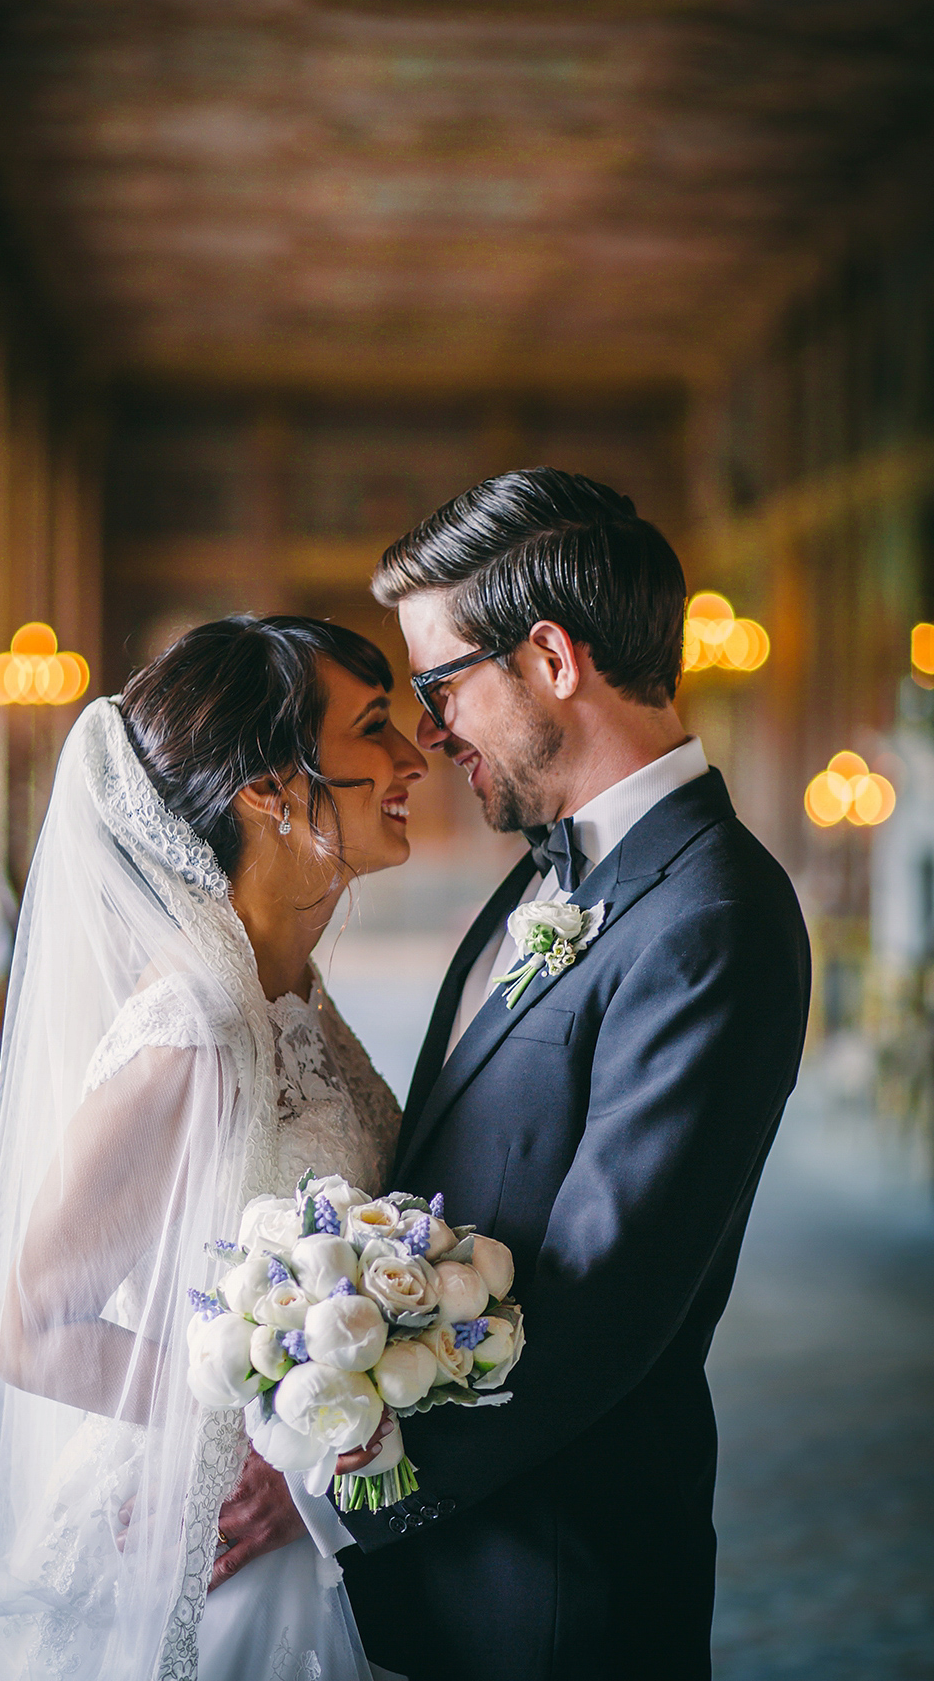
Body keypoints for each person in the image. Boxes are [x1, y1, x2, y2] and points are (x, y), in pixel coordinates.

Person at [334, 469, 811, 1680]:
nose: (430, 735)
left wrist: (349, 1492)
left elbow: (601, 1303)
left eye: (440, 685)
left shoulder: (714, 911)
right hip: (445, 1573)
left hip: (557, 1585)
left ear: (550, 658)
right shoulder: (551, 861)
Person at [0, 614, 426, 1681]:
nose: (414, 754)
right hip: (199, 1536)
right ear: (268, 789)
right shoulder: (194, 1028)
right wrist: (265, 1430)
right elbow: (32, 1325)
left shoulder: (291, 993)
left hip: (301, 1513)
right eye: (375, 726)